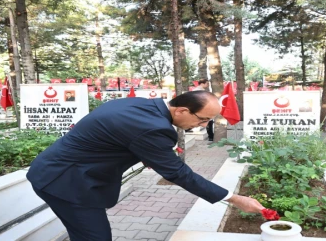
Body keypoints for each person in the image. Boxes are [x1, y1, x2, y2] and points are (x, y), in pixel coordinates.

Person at [26, 91, 264, 241]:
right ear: (181, 110)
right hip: (67, 182)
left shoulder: (139, 105)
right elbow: (178, 174)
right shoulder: (154, 128)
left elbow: (115, 136)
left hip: (59, 170)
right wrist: (234, 198)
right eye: (202, 120)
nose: (202, 126)